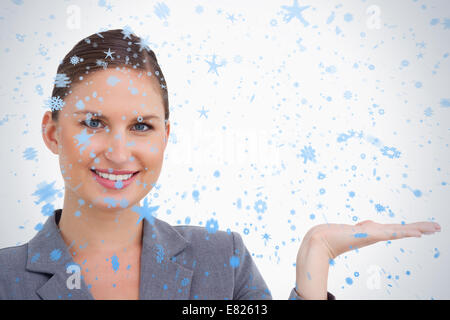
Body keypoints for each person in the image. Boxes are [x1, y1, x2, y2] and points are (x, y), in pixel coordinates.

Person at [0, 29, 441, 300]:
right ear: (52, 133)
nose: (119, 151)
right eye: (93, 122)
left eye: (141, 126)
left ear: (165, 137)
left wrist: (316, 255)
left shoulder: (221, 260)